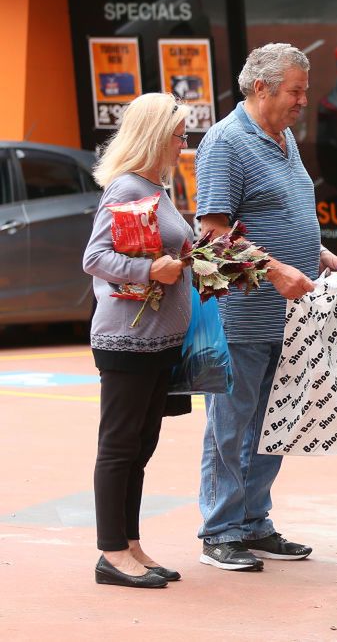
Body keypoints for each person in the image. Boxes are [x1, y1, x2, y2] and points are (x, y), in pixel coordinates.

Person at [194, 43, 337, 571]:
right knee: (230, 427)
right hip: (243, 316)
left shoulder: (283, 140)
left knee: (273, 425)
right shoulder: (225, 143)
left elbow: (286, 213)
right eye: (296, 91)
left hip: (290, 318)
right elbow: (211, 239)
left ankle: (254, 522)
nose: (304, 101)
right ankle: (220, 531)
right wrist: (277, 270)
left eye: (304, 90)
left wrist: (318, 254)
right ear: (261, 88)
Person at [83, 93, 194, 588]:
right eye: (178, 134)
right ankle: (111, 552)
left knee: (141, 445)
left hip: (158, 339)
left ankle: (129, 544)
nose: (183, 142)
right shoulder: (127, 187)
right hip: (127, 341)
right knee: (120, 445)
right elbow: (95, 258)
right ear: (155, 135)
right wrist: (151, 268)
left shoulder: (155, 186)